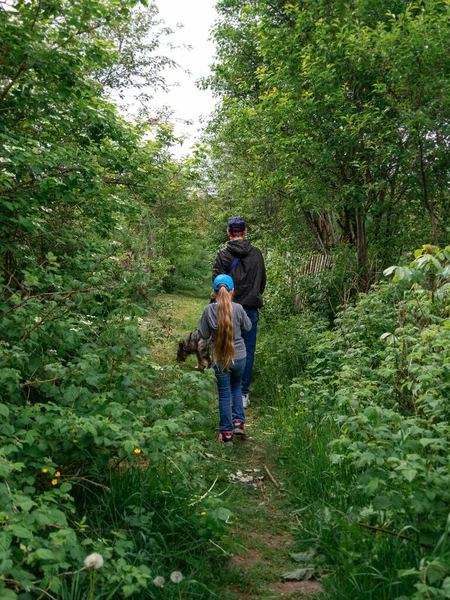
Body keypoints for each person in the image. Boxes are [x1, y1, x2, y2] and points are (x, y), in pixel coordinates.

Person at [212, 217, 266, 407]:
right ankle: (242, 393)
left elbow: (217, 283)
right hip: (250, 308)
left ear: (228, 232)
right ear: (244, 232)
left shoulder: (222, 254)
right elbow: (262, 282)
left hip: (226, 308)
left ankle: (225, 389)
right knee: (248, 350)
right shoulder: (257, 254)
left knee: (224, 344)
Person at [198, 274, 252, 446]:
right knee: (237, 387)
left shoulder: (209, 310)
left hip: (220, 357)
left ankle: (226, 433)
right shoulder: (238, 308)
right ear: (232, 291)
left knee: (224, 394)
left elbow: (204, 334)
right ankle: (239, 423)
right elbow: (248, 327)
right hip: (240, 356)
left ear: (214, 292)